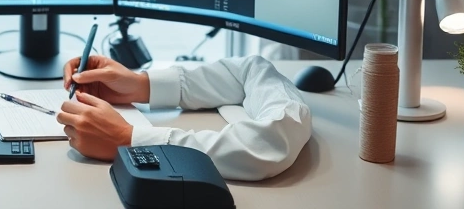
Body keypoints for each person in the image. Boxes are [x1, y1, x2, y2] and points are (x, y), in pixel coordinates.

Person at [57, 54, 311, 181]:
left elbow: (271, 142)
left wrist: (129, 140)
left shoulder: (286, 121)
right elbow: (248, 71)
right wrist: (141, 86)